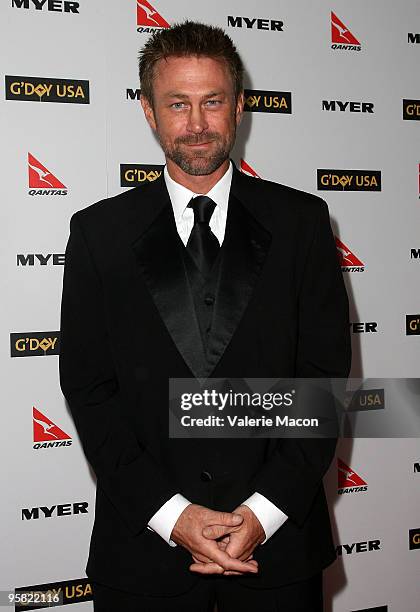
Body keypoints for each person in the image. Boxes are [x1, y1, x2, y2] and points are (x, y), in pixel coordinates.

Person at [59, 20, 351, 612]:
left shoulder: (302, 224)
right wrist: (174, 516)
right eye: (177, 104)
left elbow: (322, 386)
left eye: (212, 101)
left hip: (277, 554)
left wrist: (262, 513)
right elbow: (90, 391)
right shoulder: (99, 234)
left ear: (239, 106)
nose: (196, 123)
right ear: (148, 112)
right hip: (144, 556)